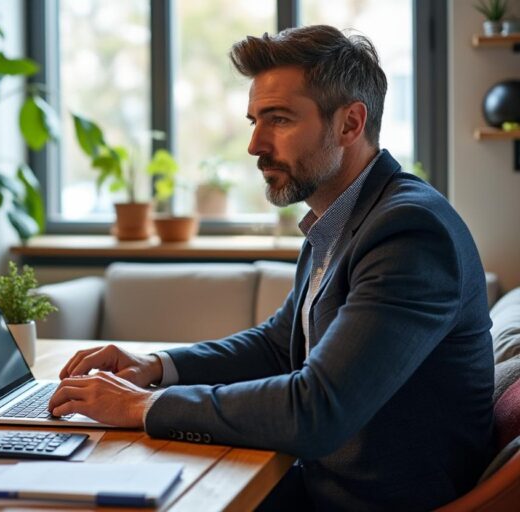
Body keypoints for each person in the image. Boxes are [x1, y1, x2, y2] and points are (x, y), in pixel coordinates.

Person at [48, 25, 494, 510]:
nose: (255, 144)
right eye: (254, 120)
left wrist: (142, 406)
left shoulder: (409, 232)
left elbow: (318, 410)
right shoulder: (342, 218)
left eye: (278, 120)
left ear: (349, 124)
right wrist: (154, 367)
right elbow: (279, 346)